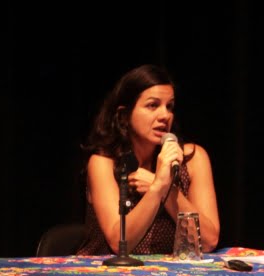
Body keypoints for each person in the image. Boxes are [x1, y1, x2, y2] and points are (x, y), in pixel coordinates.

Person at [77, 65, 219, 255]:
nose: (165, 115)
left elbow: (208, 241)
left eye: (169, 107)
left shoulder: (192, 158)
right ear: (124, 115)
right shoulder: (104, 162)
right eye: (153, 105)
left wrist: (165, 189)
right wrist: (158, 187)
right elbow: (119, 243)